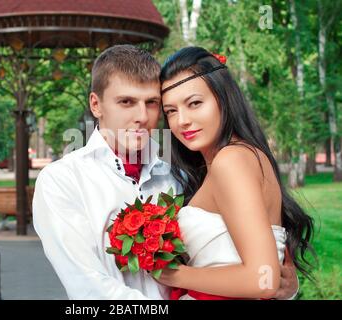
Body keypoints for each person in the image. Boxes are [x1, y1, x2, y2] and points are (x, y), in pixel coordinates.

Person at [32, 45, 299, 299]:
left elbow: (246, 261)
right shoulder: (62, 181)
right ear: (96, 105)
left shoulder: (181, 175)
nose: (141, 116)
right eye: (126, 101)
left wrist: (286, 285)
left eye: (152, 103)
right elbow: (89, 288)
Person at [156, 46, 315, 299]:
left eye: (194, 103)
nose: (182, 120)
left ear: (223, 97)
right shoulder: (242, 157)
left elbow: (262, 280)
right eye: (171, 111)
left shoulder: (231, 160)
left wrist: (171, 273)